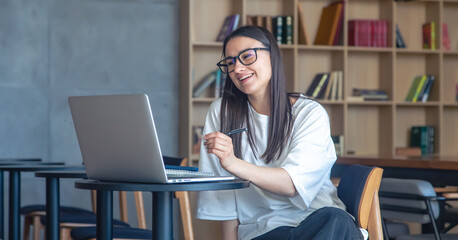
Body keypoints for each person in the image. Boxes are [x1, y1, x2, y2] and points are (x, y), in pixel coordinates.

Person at [196, 25, 365, 240]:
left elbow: (292, 185)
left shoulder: (309, 114)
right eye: (230, 62)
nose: (237, 68)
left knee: (337, 219)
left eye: (246, 56)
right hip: (263, 231)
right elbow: (223, 199)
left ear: (272, 56)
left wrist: (233, 163)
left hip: (318, 224)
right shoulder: (221, 113)